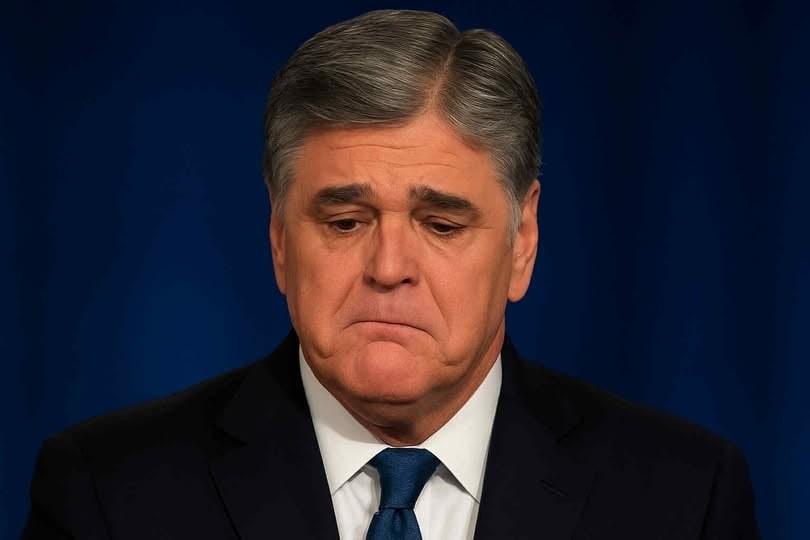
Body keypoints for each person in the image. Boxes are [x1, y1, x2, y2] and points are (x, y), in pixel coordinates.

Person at [23, 9, 759, 539]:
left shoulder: (685, 498)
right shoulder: (106, 495)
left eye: (441, 225)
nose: (389, 269)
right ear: (279, 238)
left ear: (523, 242)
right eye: (346, 222)